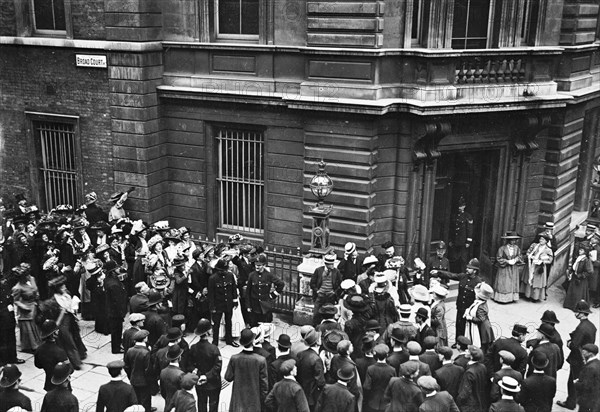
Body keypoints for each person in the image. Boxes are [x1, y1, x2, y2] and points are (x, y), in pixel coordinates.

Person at [38, 275, 87, 369]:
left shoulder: (66, 294)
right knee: (69, 343)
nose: (65, 287)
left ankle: (76, 358)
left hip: (70, 321)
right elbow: (52, 317)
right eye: (62, 286)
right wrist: (62, 312)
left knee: (73, 340)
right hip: (62, 325)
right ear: (57, 289)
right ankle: (76, 364)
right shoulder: (52, 302)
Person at [432, 258, 482, 348]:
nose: (467, 269)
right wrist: (439, 272)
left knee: (468, 326)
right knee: (459, 325)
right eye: (467, 267)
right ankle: (458, 341)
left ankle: (466, 343)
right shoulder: (463, 276)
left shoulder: (478, 282)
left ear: (475, 271)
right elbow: (451, 275)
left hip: (469, 309)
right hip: (460, 306)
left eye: (469, 268)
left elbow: (479, 298)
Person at [557, 300, 597, 410]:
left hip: (577, 359)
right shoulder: (592, 326)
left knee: (572, 381)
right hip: (586, 357)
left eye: (577, 311)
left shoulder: (581, 328)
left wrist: (569, 343)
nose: (575, 314)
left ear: (581, 313)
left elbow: (574, 346)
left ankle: (571, 402)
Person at [224, 328, 269, 412]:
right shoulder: (261, 360)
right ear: (252, 341)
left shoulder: (234, 358)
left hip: (238, 400)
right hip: (254, 401)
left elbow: (228, 377)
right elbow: (264, 385)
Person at [185, 319, 222, 412]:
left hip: (199, 383)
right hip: (213, 383)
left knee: (201, 404)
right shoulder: (214, 349)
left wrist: (198, 374)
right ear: (208, 332)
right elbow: (218, 366)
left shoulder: (193, 348)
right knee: (213, 404)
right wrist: (207, 376)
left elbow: (189, 364)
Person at [207, 259, 240, 348]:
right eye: (222, 270)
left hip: (228, 303)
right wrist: (212, 307)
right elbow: (211, 294)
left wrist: (235, 300)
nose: (224, 272)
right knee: (216, 324)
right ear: (218, 269)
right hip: (217, 304)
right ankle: (215, 342)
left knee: (229, 322)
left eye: (225, 270)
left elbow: (233, 288)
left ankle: (229, 340)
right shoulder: (212, 278)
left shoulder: (230, 275)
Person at [246, 253, 285, 326]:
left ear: (264, 265)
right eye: (256, 264)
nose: (257, 267)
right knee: (254, 327)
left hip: (265, 306)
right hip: (254, 306)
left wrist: (272, 295)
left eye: (259, 265)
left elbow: (281, 284)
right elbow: (248, 291)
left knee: (265, 326)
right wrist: (248, 306)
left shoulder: (269, 275)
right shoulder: (251, 275)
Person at [10, 264, 41, 353]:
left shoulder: (32, 279)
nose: (27, 276)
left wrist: (37, 296)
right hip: (26, 310)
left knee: (36, 326)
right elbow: (16, 301)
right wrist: (24, 307)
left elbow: (35, 289)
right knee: (29, 329)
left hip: (34, 306)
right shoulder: (17, 287)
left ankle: (38, 343)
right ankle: (31, 346)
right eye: (25, 276)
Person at [296, 328, 326, 411]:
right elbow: (320, 382)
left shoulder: (300, 354)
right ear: (317, 342)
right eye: (319, 338)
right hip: (312, 395)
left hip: (301, 389)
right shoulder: (317, 359)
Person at [34, 319, 68, 391]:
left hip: (49, 383)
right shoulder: (60, 352)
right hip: (62, 385)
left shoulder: (39, 350)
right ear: (54, 333)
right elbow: (70, 370)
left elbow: (38, 365)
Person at [124, 330, 152, 412]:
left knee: (136, 399)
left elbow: (126, 366)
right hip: (144, 381)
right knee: (145, 401)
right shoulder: (146, 352)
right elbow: (148, 369)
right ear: (144, 339)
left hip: (133, 379)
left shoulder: (130, 350)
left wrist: (130, 376)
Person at [310, 254, 342, 326]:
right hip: (320, 295)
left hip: (331, 296)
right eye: (331, 264)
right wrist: (317, 291)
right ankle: (316, 328)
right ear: (327, 264)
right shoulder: (318, 270)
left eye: (333, 263)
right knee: (316, 314)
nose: (333, 265)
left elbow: (340, 284)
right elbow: (312, 283)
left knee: (330, 314)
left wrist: (334, 292)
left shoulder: (336, 272)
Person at [104, 261, 128, 354]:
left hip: (111, 310)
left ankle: (117, 345)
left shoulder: (108, 280)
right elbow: (117, 301)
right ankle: (116, 348)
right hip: (115, 312)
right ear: (113, 271)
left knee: (116, 330)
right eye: (117, 268)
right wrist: (122, 313)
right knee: (116, 330)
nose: (119, 269)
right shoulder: (114, 284)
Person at [521, 233, 554, 302]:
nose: (541, 240)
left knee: (537, 282)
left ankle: (535, 297)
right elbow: (528, 252)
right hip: (531, 265)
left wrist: (543, 261)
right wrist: (530, 256)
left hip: (539, 268)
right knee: (529, 278)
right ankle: (527, 294)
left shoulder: (548, 250)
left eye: (543, 239)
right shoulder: (534, 245)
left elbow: (550, 260)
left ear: (546, 241)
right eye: (540, 239)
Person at [456, 346, 490, 412]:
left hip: (470, 406)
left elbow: (465, 392)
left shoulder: (469, 372)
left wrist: (458, 401)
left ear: (471, 357)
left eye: (468, 351)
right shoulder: (482, 367)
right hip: (480, 402)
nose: (466, 351)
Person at [363, 344, 396, 412]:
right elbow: (394, 387)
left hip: (373, 402)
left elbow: (366, 387)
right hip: (387, 403)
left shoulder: (370, 369)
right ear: (387, 355)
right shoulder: (392, 370)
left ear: (375, 356)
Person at [493, 231, 523, 303]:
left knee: (512, 282)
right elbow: (499, 258)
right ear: (508, 240)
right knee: (504, 283)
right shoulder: (502, 248)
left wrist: (515, 260)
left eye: (514, 240)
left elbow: (520, 256)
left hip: (513, 268)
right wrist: (507, 261)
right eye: (512, 240)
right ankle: (502, 298)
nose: (513, 241)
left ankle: (511, 297)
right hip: (504, 268)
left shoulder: (517, 248)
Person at [464, 282, 494, 353]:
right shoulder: (480, 302)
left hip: (482, 328)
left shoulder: (481, 306)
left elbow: (480, 319)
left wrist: (470, 318)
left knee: (482, 345)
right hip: (482, 326)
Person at [564, 243, 593, 310]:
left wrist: (581, 275)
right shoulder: (579, 258)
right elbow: (575, 266)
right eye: (580, 250)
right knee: (572, 292)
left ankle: (577, 307)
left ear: (585, 252)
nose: (580, 251)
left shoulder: (586, 260)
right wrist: (571, 270)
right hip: (575, 276)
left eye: (582, 250)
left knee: (578, 294)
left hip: (581, 279)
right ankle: (570, 305)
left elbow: (590, 271)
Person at [449, 197, 474, 273]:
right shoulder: (455, 215)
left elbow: (470, 229)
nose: (460, 208)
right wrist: (451, 240)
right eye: (459, 206)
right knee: (454, 258)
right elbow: (452, 229)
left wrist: (468, 241)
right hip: (455, 241)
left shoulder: (468, 216)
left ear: (464, 206)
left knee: (463, 259)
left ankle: (463, 275)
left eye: (461, 206)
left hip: (463, 242)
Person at [574, 344, 600, 412]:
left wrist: (576, 383)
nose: (582, 352)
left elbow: (585, 386)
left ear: (590, 354)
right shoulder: (597, 363)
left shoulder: (590, 367)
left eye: (584, 352)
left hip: (587, 399)